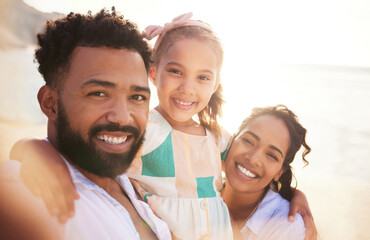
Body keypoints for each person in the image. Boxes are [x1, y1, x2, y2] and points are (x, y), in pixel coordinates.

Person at [10, 13, 317, 240]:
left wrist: (293, 195)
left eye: (202, 77)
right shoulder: (147, 129)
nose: (187, 88)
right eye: (176, 72)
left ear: (216, 84)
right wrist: (33, 147)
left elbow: (250, 165)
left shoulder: (215, 137)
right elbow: (86, 150)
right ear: (154, 73)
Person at [0, 8, 171, 240]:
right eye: (99, 93)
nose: (122, 117)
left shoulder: (132, 179)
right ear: (50, 103)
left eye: (137, 97)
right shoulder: (24, 190)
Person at [222, 105, 310, 240]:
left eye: (272, 155)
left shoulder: (287, 226)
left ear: (279, 173)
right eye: (248, 141)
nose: (253, 159)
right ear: (231, 141)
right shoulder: (194, 186)